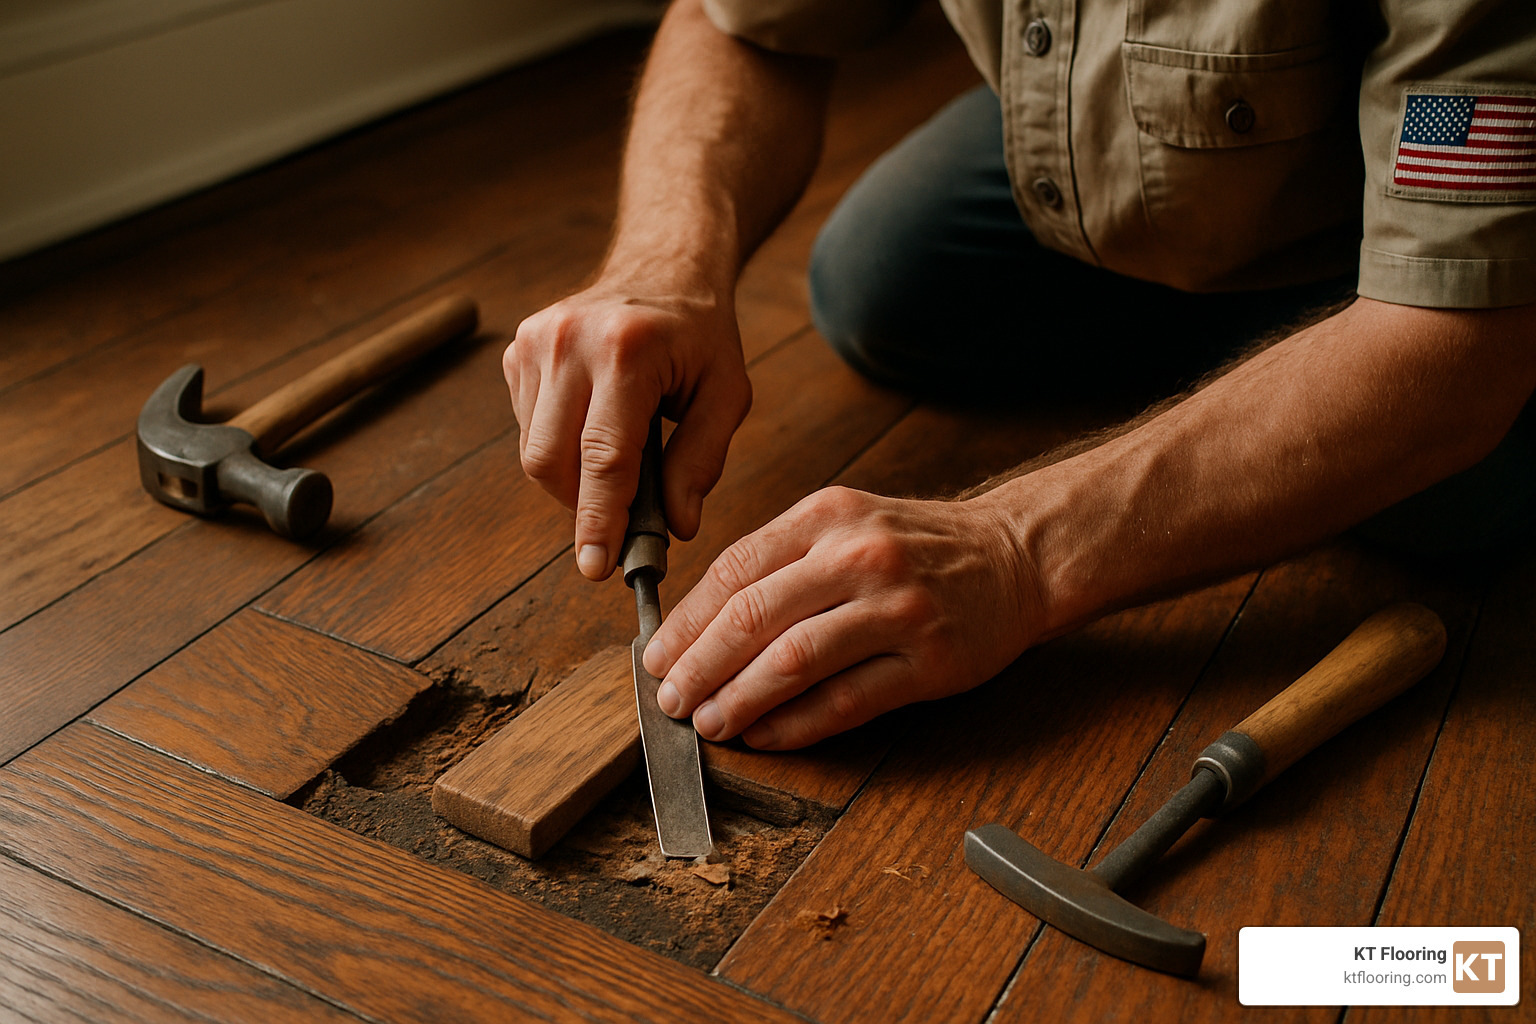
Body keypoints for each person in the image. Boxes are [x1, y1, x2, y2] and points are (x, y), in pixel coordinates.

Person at [503, 0, 1536, 751]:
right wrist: (665, 261)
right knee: (876, 282)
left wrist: (1016, 549)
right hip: (1187, 128)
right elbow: (745, 24)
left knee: (1455, 493)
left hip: (1419, 171)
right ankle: (1264, 367)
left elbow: (1461, 349)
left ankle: (1311, 340)